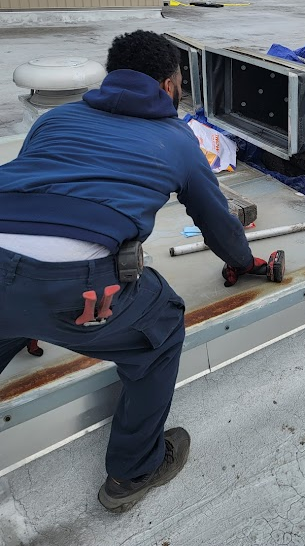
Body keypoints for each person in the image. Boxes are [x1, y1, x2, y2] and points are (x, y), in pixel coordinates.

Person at [0, 30, 267, 513]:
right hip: (77, 286)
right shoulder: (176, 140)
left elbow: (26, 205)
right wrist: (244, 263)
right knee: (161, 328)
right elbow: (217, 224)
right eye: (181, 81)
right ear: (169, 86)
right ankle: (133, 470)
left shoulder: (54, 120)